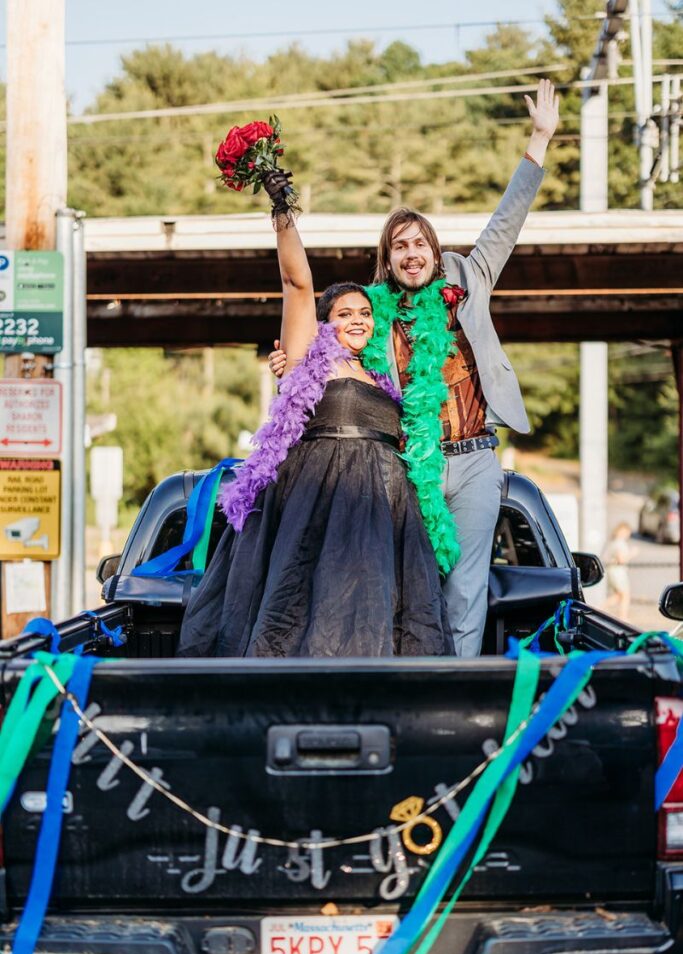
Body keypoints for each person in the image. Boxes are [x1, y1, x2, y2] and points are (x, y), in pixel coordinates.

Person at [270, 79, 560, 657]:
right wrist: (292, 360)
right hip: (407, 463)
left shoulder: (468, 281)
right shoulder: (370, 313)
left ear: (434, 250)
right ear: (388, 258)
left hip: (475, 457)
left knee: (466, 584)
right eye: (399, 246)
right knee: (405, 581)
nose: (411, 254)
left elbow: (507, 222)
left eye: (419, 243)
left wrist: (539, 141)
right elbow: (329, 341)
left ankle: (456, 692)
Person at [177, 177, 453, 658]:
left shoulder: (382, 376)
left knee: (388, 617)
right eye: (345, 313)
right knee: (308, 612)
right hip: (317, 508)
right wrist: (283, 210)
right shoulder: (310, 360)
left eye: (365, 313)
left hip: (383, 514)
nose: (358, 320)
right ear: (325, 324)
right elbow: (297, 283)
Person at [603, 522, 636, 621]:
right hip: (618, 572)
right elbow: (622, 559)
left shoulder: (614, 542)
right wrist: (632, 553)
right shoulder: (620, 543)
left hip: (613, 571)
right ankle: (623, 617)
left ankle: (600, 608)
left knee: (618, 595)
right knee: (625, 594)